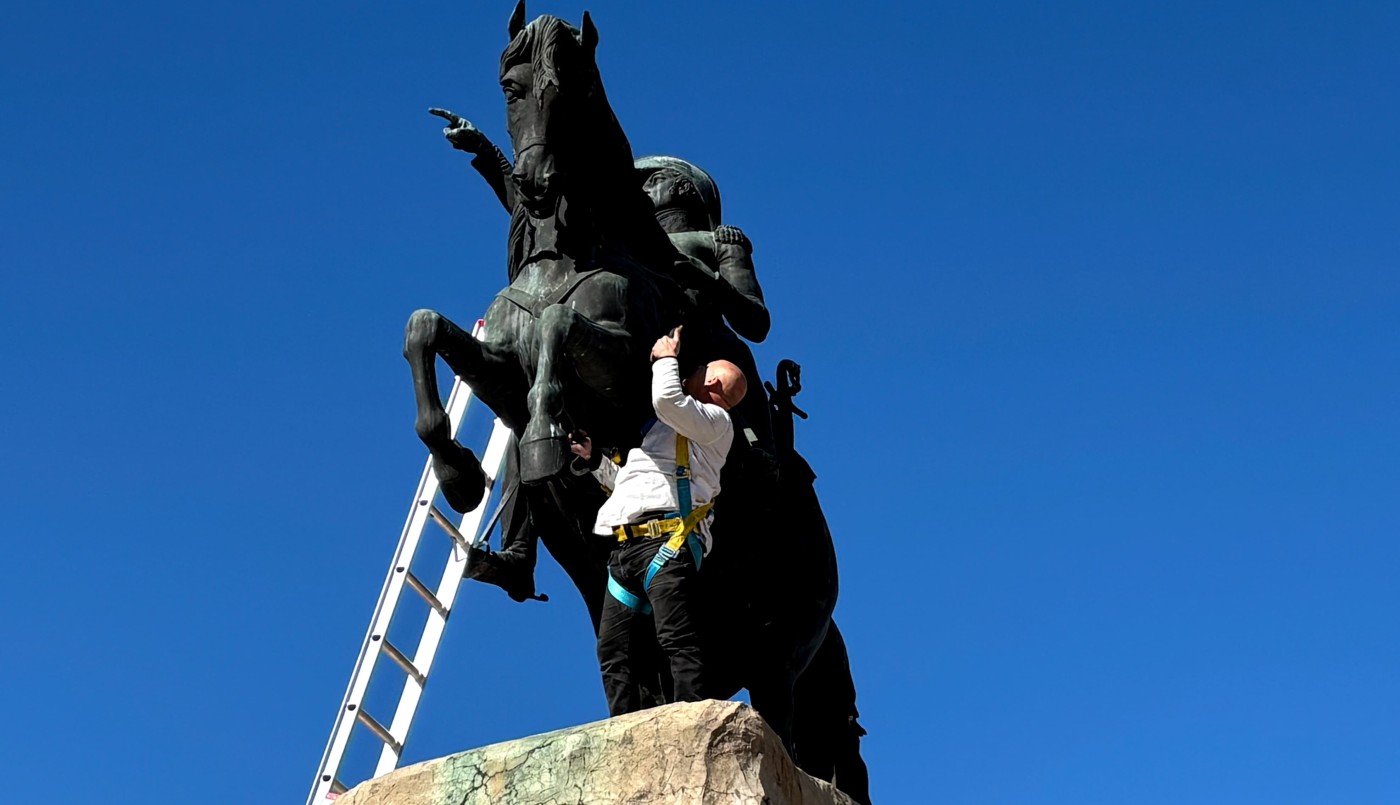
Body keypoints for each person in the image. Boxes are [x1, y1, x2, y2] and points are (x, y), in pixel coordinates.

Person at [572, 325, 747, 714]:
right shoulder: (674, 431)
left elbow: (666, 398)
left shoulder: (717, 423)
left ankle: (691, 723)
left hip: (666, 545)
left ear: (713, 383)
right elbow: (634, 486)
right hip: (628, 549)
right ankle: (623, 728)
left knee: (676, 640)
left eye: (699, 370)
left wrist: (667, 357)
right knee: (613, 652)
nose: (691, 371)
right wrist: (594, 459)